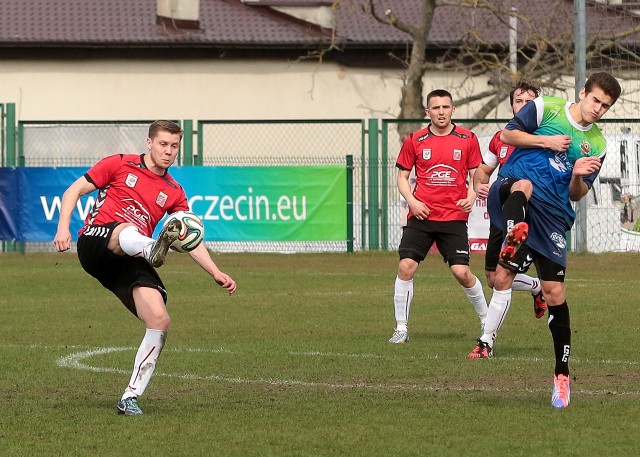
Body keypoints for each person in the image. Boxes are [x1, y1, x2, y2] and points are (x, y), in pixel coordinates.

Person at [53, 120, 237, 415]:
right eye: (163, 144)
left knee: (160, 319)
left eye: (174, 146)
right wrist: (63, 229)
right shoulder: (118, 164)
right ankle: (153, 248)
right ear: (149, 143)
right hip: (97, 242)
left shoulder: (174, 191)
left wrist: (215, 271)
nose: (168, 151)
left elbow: (188, 235)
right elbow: (73, 191)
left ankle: (130, 397)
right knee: (127, 228)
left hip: (130, 258)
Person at [467, 72, 622, 409]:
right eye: (595, 100)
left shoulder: (597, 144)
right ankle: (514, 231)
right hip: (515, 188)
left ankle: (561, 377)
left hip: (554, 214)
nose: (598, 109)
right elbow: (508, 133)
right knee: (522, 186)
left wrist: (578, 175)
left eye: (605, 106)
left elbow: (578, 195)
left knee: (554, 293)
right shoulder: (546, 108)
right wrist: (547, 142)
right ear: (582, 92)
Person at [388, 89, 488, 344]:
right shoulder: (415, 139)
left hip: (453, 217)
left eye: (445, 107)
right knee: (405, 266)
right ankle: (401, 328)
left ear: (453, 110)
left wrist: (471, 194)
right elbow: (401, 177)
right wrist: (412, 201)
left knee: (462, 273)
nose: (441, 112)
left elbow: (477, 174)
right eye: (436, 108)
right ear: (427, 112)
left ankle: (487, 320)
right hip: (421, 217)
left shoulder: (467, 138)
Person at [469, 80, 546, 359]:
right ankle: (536, 286)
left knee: (502, 280)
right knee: (492, 278)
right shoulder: (501, 137)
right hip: (500, 218)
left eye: (529, 102)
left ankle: (485, 342)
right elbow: (483, 170)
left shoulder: (546, 136)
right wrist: (479, 183)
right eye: (518, 101)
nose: (523, 106)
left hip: (527, 220)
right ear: (512, 106)